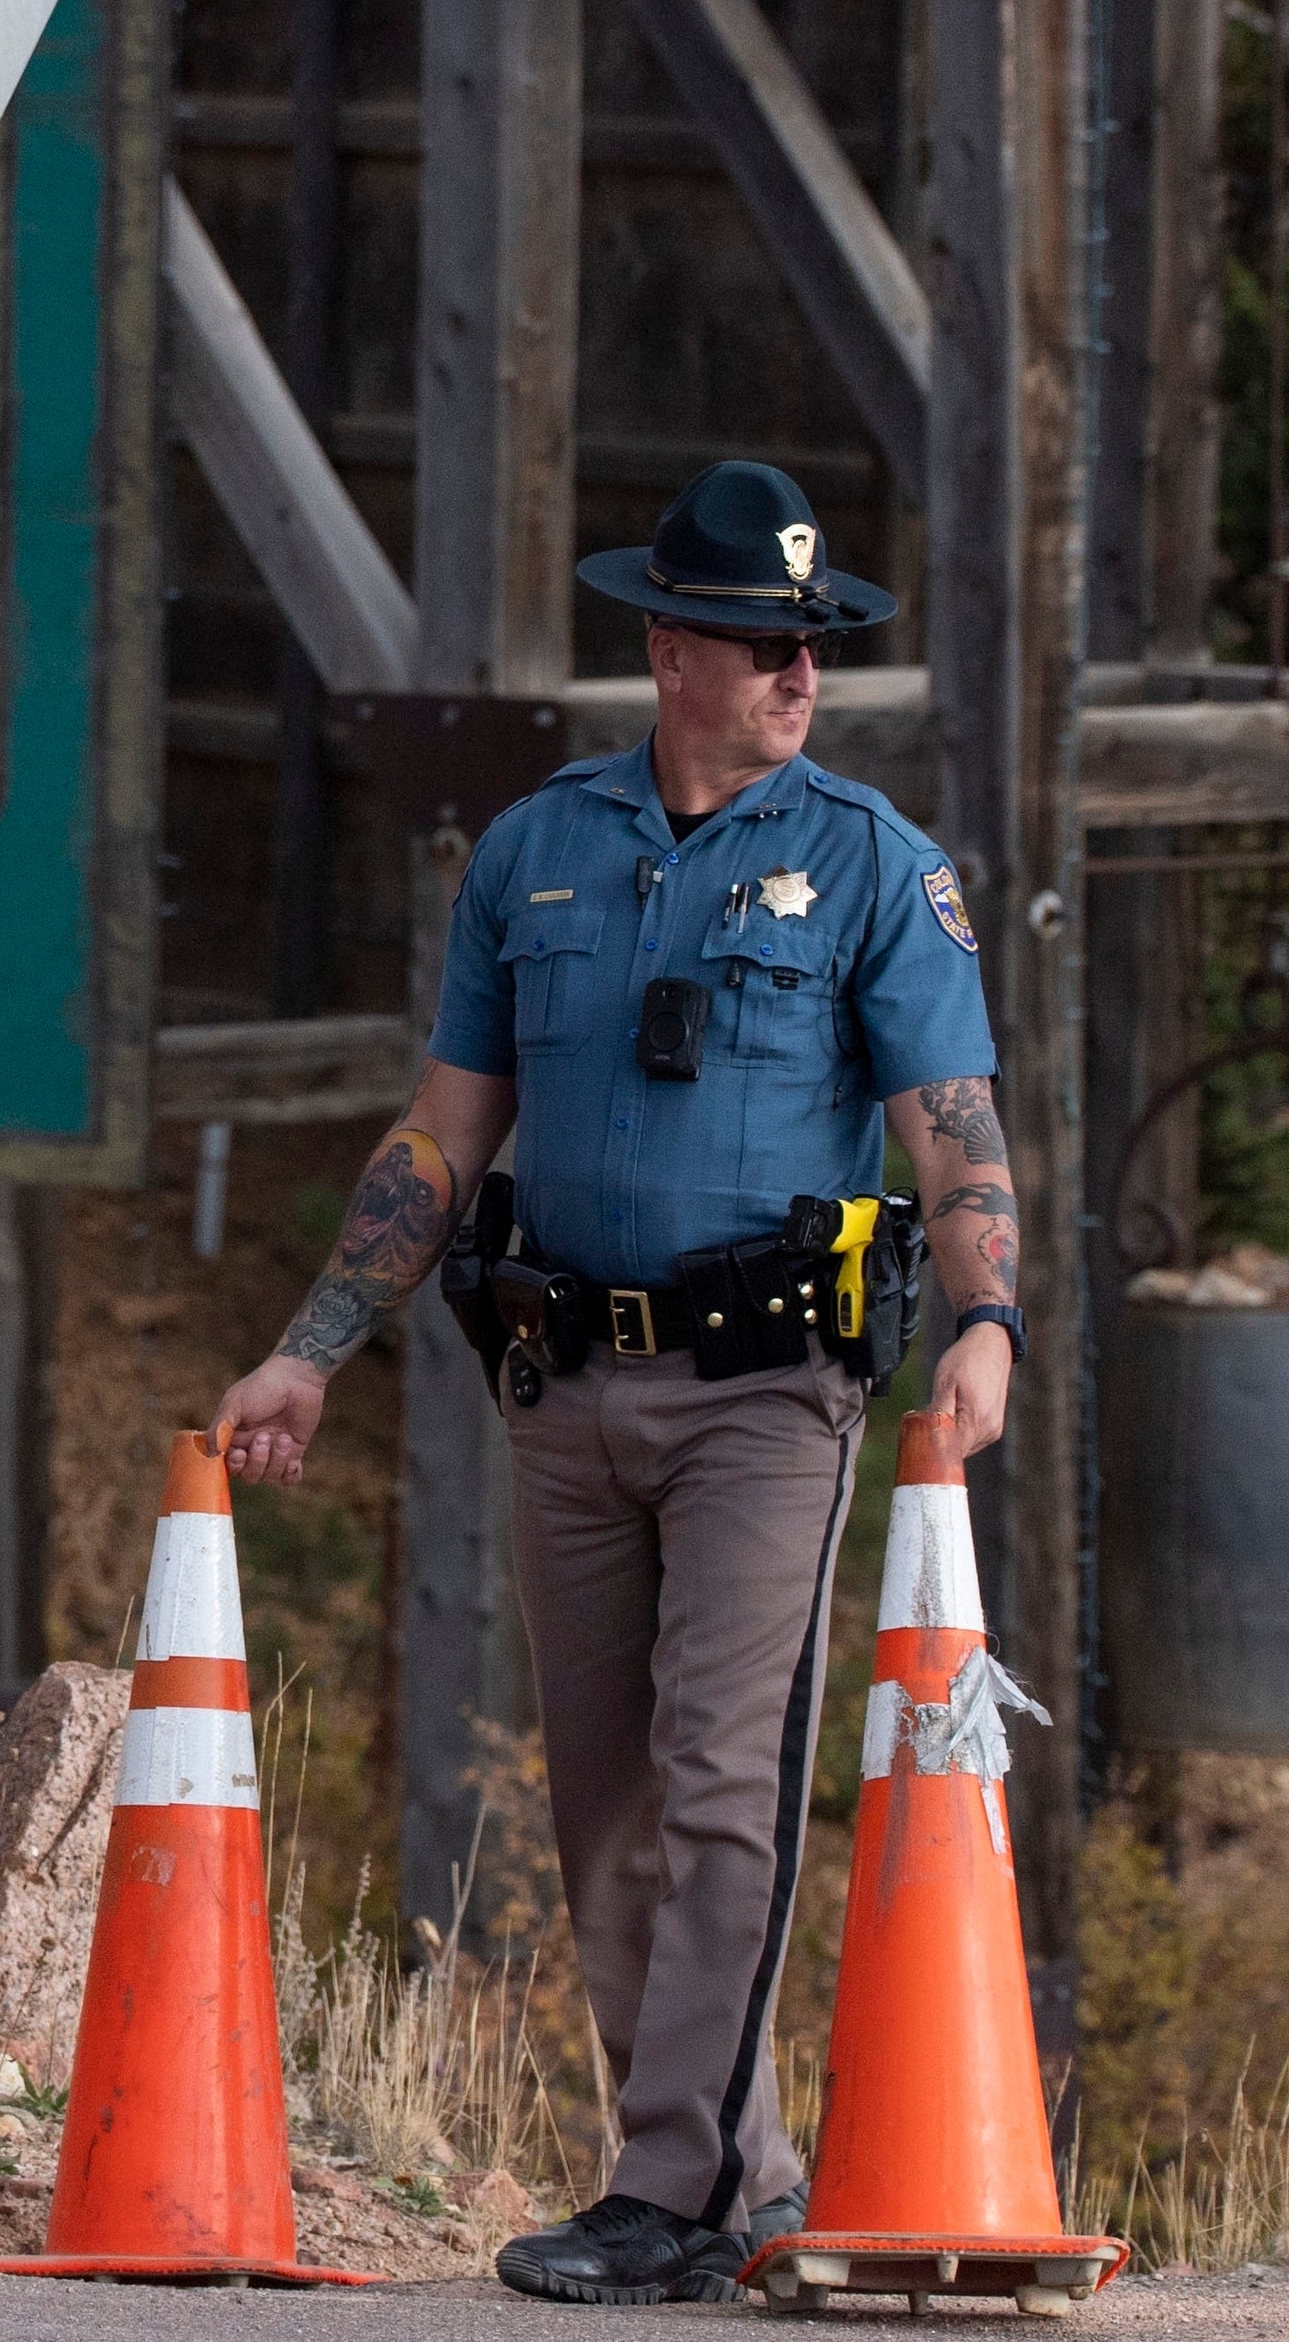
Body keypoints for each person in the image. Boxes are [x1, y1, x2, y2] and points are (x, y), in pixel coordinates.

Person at [210, 463, 1024, 2307]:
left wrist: (986, 1323)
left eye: (816, 644)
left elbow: (956, 1141)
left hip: (766, 1397)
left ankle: (668, 2187)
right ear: (671, 648)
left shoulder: (882, 867)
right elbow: (440, 1134)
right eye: (765, 643)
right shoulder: (533, 851)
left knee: (727, 1777)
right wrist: (314, 1347)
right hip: (564, 1379)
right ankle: (730, 2179)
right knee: (604, 1797)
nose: (801, 674)